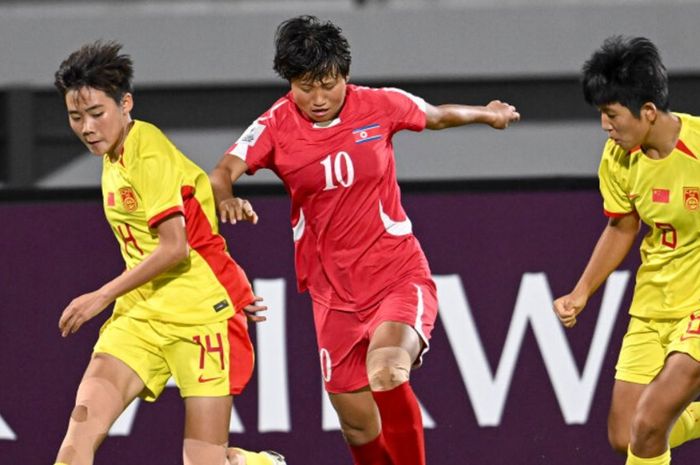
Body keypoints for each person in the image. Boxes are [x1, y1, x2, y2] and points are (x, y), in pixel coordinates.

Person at [210, 15, 520, 465]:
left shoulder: (380, 104)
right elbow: (222, 171)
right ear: (289, 83)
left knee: (388, 371)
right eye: (303, 87)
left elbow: (435, 116)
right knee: (356, 423)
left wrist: (487, 114)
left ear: (345, 76)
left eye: (327, 84)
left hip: (396, 275)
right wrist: (226, 197)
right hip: (331, 295)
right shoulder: (275, 124)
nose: (317, 98)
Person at [52, 41, 285, 465]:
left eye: (96, 114)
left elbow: (176, 247)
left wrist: (100, 296)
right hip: (140, 316)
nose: (86, 127)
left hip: (199, 318)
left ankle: (256, 463)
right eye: (75, 117)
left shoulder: (149, 151)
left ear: (126, 104)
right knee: (77, 439)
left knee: (204, 461)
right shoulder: (112, 158)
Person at [553, 36, 700, 465]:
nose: (605, 126)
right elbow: (622, 227)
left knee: (650, 423)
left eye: (612, 114)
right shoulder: (618, 159)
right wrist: (581, 292)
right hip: (653, 304)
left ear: (648, 112)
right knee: (627, 434)